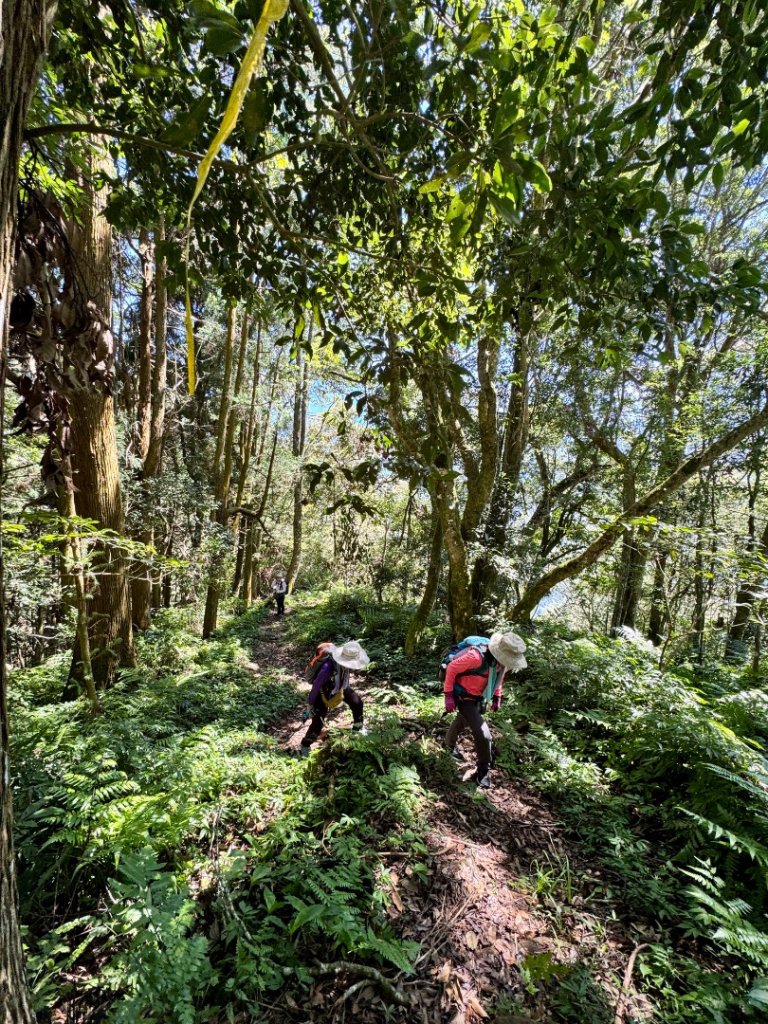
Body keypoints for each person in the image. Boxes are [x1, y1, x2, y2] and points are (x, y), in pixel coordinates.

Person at [444, 631, 527, 789]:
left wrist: (497, 696)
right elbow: (452, 668)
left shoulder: (501, 663)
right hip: (463, 695)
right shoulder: (476, 657)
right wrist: (448, 695)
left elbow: (498, 678)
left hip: (479, 696)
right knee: (484, 733)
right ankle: (483, 770)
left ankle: (448, 745)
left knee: (463, 720)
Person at [298, 640, 370, 756]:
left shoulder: (345, 665)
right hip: (323, 691)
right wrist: (310, 704)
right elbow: (316, 686)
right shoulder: (327, 667)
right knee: (317, 722)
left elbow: (343, 678)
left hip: (340, 686)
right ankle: (305, 745)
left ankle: (358, 730)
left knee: (357, 703)